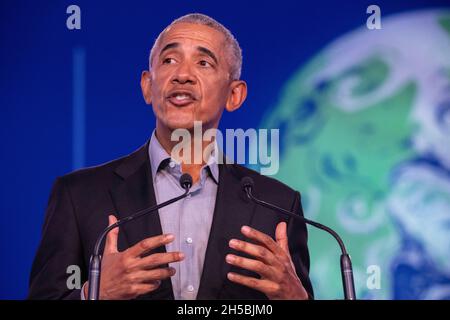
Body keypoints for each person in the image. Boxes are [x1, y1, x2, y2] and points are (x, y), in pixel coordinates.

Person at [28, 13, 313, 300]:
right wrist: (94, 294)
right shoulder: (79, 195)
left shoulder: (277, 206)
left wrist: (295, 297)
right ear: (147, 86)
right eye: (169, 60)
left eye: (203, 63)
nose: (182, 74)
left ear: (234, 95)